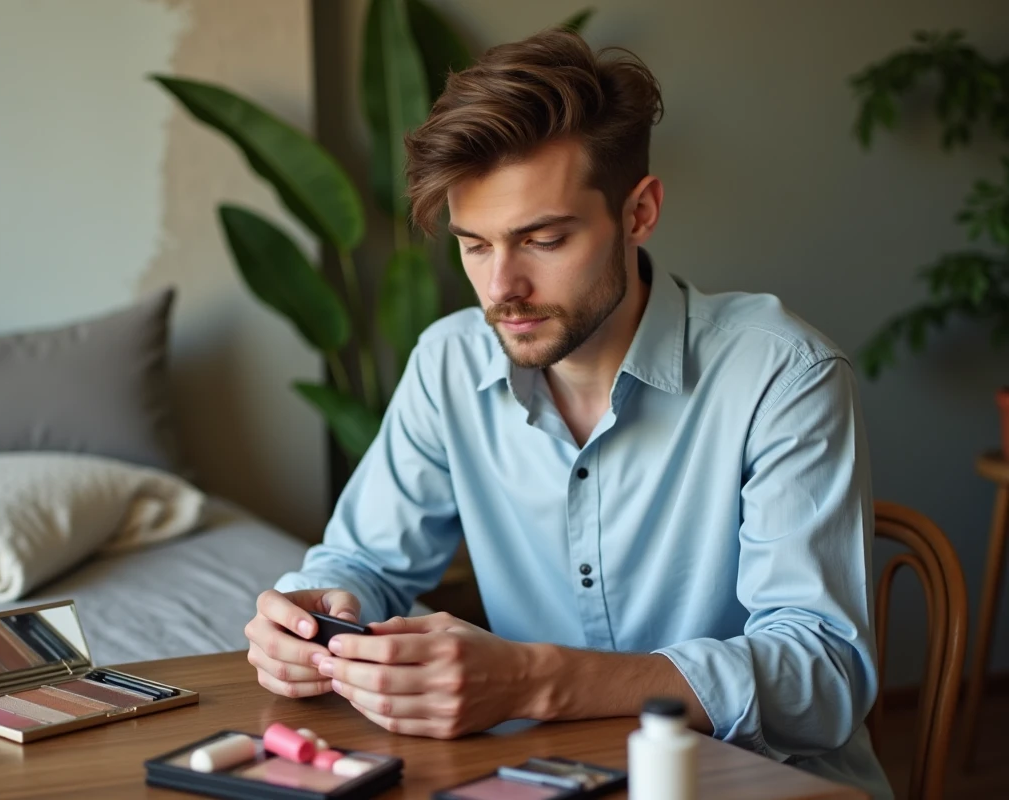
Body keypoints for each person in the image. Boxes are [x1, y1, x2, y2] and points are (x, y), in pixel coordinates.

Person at [243, 28, 891, 799]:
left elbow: (823, 673)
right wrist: (318, 616)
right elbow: (363, 564)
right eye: (474, 245)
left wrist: (537, 680)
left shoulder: (782, 375)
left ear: (640, 212)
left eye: (542, 239)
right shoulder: (450, 361)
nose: (500, 287)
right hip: (540, 780)